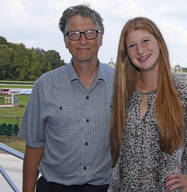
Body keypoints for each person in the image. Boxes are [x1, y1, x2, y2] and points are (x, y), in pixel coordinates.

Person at [108, 17, 187, 192]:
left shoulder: (183, 90)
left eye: (145, 41)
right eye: (132, 45)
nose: (140, 50)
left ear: (159, 43)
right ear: (126, 53)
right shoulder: (125, 92)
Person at [18, 5, 114, 192]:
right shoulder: (44, 85)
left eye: (90, 33)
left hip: (105, 187)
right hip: (54, 187)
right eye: (75, 34)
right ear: (65, 41)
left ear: (101, 38)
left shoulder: (121, 84)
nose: (83, 40)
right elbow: (34, 147)